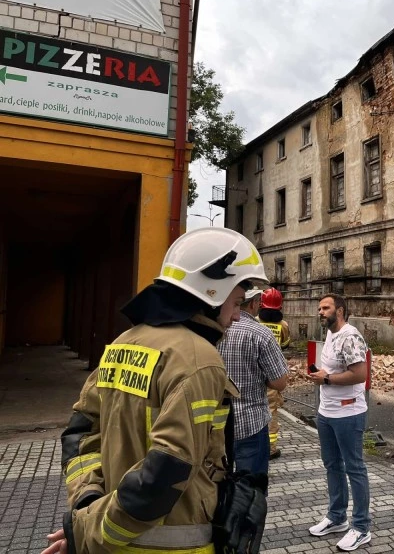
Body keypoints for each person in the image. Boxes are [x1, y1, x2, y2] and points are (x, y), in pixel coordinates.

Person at [43, 227, 270, 554]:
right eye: (236, 302)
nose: (237, 316)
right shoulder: (199, 359)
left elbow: (80, 435)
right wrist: (87, 529)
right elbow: (164, 474)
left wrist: (89, 503)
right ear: (211, 292)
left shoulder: (124, 341)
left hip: (113, 542)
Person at [307, 294, 371, 552]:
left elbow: (360, 374)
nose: (320, 312)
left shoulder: (350, 336)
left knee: (354, 468)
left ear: (340, 310)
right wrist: (321, 377)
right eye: (319, 308)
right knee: (332, 465)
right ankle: (337, 517)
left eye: (325, 308)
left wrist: (327, 379)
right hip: (327, 412)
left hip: (349, 414)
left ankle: (361, 527)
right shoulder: (331, 335)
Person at [218, 287, 289, 477]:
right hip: (251, 425)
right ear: (253, 303)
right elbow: (280, 382)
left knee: (219, 485)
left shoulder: (215, 330)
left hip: (217, 425)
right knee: (250, 492)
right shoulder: (262, 333)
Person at [257, 288, 291, 460]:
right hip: (274, 374)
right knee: (271, 411)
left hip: (255, 372)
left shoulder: (255, 322)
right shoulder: (283, 325)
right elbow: (285, 344)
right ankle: (271, 449)